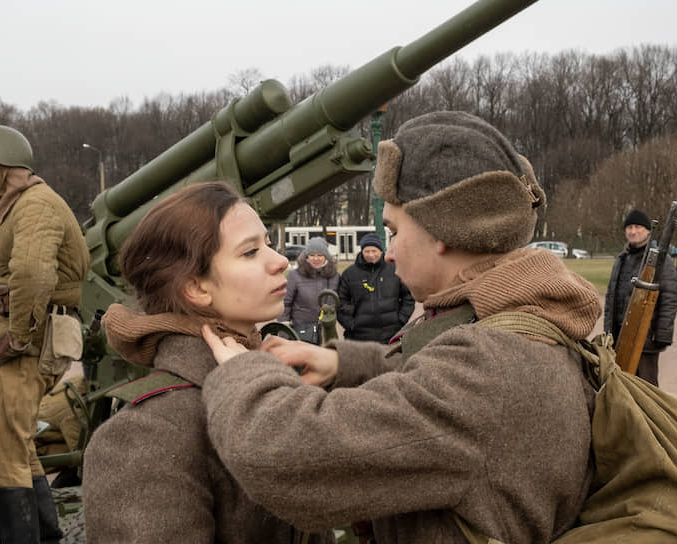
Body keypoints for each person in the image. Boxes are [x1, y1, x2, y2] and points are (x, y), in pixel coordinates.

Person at [201, 111, 602, 542]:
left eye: (393, 231)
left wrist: (241, 376)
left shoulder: (488, 370)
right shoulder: (522, 322)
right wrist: (343, 365)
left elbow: (282, 455)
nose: (388, 253)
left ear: (440, 230)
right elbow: (434, 390)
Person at [82, 182, 333, 543]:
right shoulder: (147, 436)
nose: (280, 261)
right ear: (196, 288)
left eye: (268, 243)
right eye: (250, 252)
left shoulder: (271, 386)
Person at [0, 125, 90, 543]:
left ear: (3, 167)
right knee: (19, 450)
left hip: (27, 341)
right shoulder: (22, 205)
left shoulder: (35, 206)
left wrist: (16, 338)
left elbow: (33, 273)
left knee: (3, 457)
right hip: (28, 336)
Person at [603, 209, 677, 386]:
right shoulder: (622, 259)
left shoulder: (660, 260)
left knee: (646, 387)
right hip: (620, 335)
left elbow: (669, 299)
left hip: (646, 336)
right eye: (629, 227)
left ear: (648, 231)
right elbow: (610, 299)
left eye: (637, 227)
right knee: (621, 386)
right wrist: (608, 332)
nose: (633, 231)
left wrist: (662, 335)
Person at [337, 232, 415, 343]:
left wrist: (401, 320)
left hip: (390, 334)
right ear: (361, 251)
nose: (371, 255)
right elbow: (340, 301)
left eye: (374, 251)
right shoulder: (349, 274)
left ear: (381, 251)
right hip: (359, 336)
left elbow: (408, 296)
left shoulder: (395, 270)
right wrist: (350, 324)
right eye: (367, 251)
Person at [278, 236, 339, 344]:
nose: (316, 259)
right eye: (312, 255)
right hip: (302, 331)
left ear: (326, 256)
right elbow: (285, 303)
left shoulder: (335, 276)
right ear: (306, 256)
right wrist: (284, 331)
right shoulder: (294, 276)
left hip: (327, 331)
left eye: (320, 255)